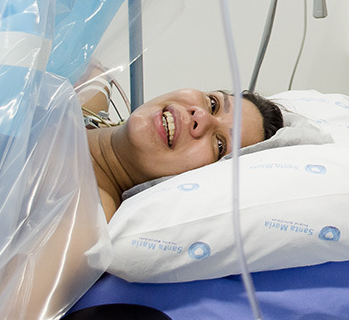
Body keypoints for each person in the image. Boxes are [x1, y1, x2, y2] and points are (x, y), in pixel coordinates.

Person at [85, 87, 284, 221]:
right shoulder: (89, 97)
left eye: (219, 144)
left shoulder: (88, 215)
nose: (202, 116)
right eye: (213, 105)